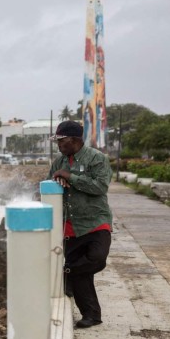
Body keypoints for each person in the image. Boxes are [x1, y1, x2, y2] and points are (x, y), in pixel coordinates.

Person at [48, 120, 112, 328]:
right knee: (82, 274)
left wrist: (71, 177)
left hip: (95, 221)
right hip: (70, 226)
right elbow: (49, 187)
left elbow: (100, 186)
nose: (58, 145)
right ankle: (91, 315)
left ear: (73, 140)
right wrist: (58, 181)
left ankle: (67, 273)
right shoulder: (59, 162)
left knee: (97, 258)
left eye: (61, 140)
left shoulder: (97, 158)